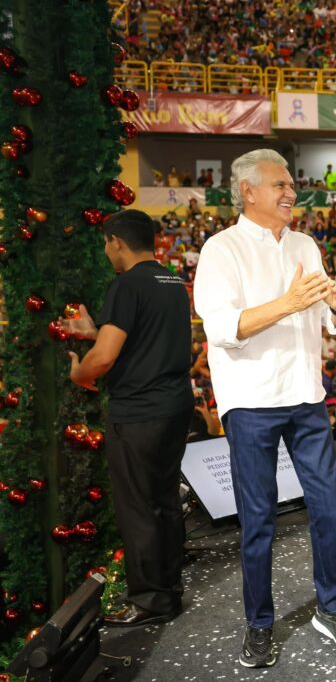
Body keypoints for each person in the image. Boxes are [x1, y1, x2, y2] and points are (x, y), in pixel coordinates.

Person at [194, 149, 336, 668]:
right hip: (250, 401)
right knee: (258, 519)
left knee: (328, 508)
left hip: (306, 395)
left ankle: (332, 608)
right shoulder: (220, 250)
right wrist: (288, 304)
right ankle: (259, 624)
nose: (292, 193)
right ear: (248, 191)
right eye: (280, 185)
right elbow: (224, 328)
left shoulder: (305, 245)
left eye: (291, 185)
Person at [62, 209, 193, 627]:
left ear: (116, 241)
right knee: (165, 501)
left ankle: (150, 601)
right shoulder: (172, 281)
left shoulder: (126, 284)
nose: (106, 251)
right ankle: (169, 590)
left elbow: (103, 358)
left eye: (106, 243)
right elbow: (146, 335)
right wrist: (95, 329)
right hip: (175, 406)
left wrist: (79, 372)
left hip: (138, 413)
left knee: (138, 508)